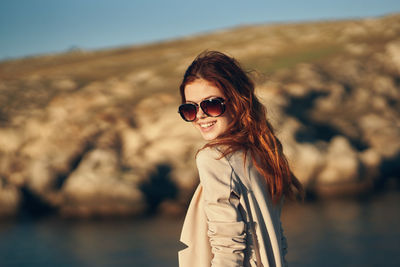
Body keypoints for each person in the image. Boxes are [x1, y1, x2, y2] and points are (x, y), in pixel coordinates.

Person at [177, 51, 303, 267]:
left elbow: (228, 247)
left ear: (237, 101)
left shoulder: (214, 157)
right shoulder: (263, 153)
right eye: (190, 108)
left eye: (211, 105)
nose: (200, 116)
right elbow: (278, 240)